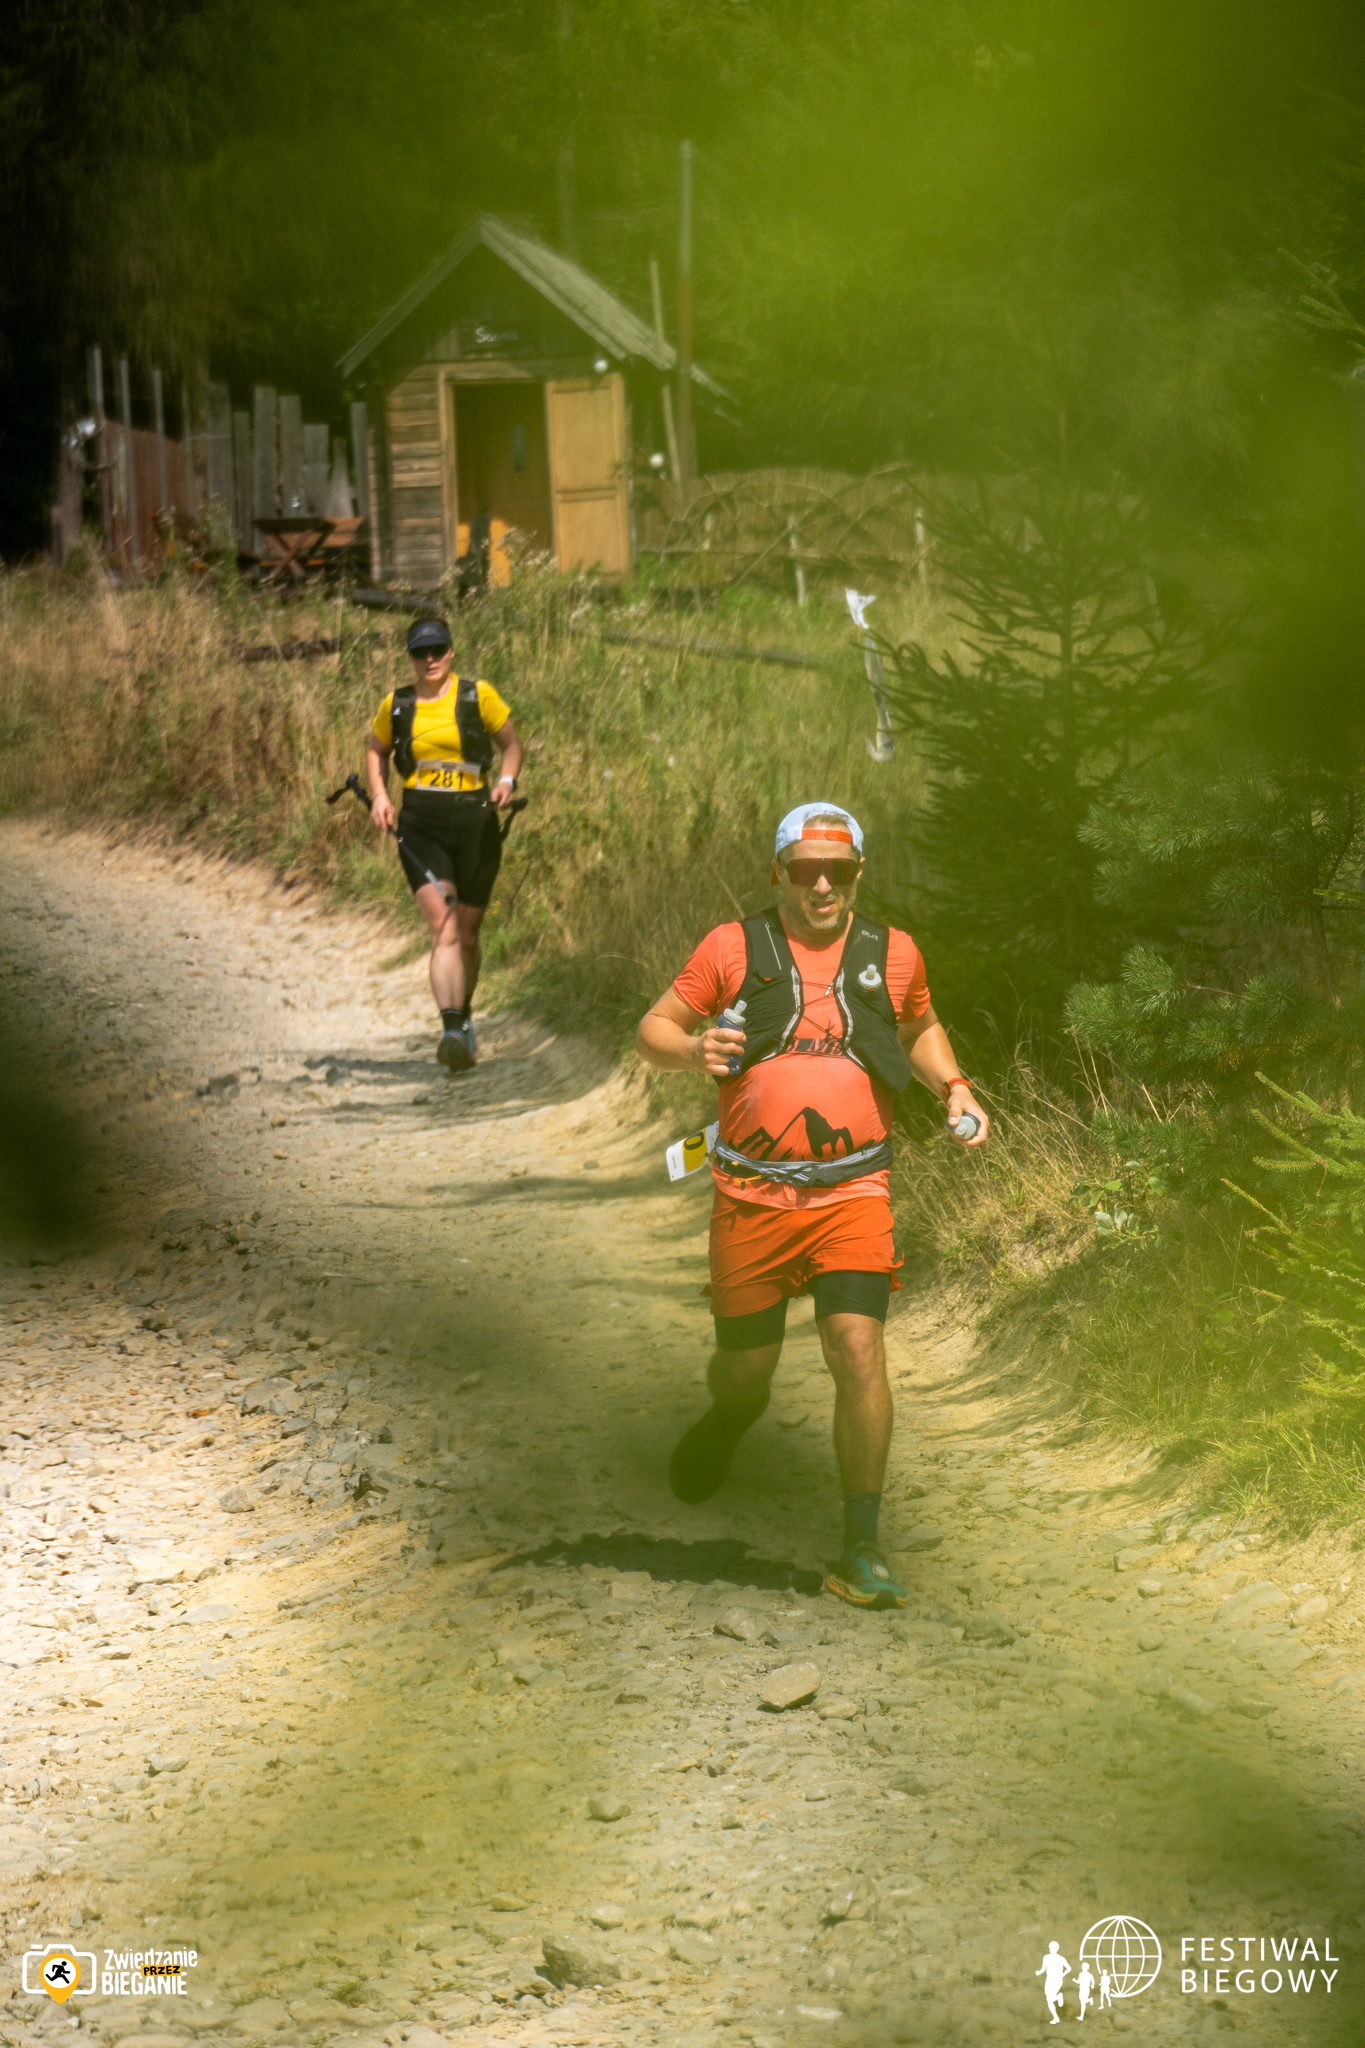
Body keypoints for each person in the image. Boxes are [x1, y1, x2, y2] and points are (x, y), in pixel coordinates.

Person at [636, 802, 988, 1610]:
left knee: (857, 1350)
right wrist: (691, 1048)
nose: (821, 885)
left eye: (837, 870)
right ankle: (732, 1416)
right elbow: (652, 1030)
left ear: (859, 872)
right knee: (745, 1370)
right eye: (804, 870)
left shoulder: (893, 953)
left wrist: (954, 1086)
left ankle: (861, 1546)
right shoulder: (731, 948)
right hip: (749, 1195)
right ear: (779, 873)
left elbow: (920, 1026)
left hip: (854, 1190)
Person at [366, 617, 523, 1071]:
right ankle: (451, 1029)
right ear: (411, 658)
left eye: (437, 650)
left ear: (451, 651)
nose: (430, 659)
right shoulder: (397, 705)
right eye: (421, 652)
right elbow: (376, 751)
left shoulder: (478, 696)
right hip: (421, 823)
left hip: (476, 821)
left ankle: (464, 1017)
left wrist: (507, 782)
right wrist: (379, 795)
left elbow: (511, 745)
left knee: (468, 934)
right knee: (445, 924)